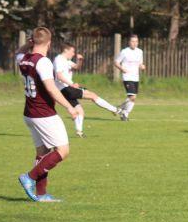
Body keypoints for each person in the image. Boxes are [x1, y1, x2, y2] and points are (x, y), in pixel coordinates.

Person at [16, 27, 79, 203]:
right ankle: (29, 177)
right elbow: (51, 88)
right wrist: (70, 107)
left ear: (32, 41)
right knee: (63, 151)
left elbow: (18, 52)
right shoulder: (43, 62)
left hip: (29, 113)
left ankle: (41, 194)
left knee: (43, 153)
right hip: (44, 114)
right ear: (49, 43)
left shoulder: (24, 58)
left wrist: (27, 45)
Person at [53, 42, 124, 137]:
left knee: (80, 110)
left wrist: (80, 61)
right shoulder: (59, 59)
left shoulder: (66, 60)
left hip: (66, 89)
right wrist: (71, 84)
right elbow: (59, 75)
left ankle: (79, 132)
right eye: (72, 51)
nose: (73, 54)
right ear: (66, 50)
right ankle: (115, 110)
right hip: (66, 88)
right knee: (93, 96)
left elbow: (77, 67)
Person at [114, 34, 145, 121]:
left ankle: (124, 114)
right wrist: (122, 69)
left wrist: (142, 66)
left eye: (136, 41)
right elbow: (116, 62)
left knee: (133, 99)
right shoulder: (124, 51)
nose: (134, 43)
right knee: (132, 97)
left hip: (136, 77)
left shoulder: (140, 52)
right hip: (127, 77)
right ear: (129, 42)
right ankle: (118, 108)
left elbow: (140, 63)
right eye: (133, 41)